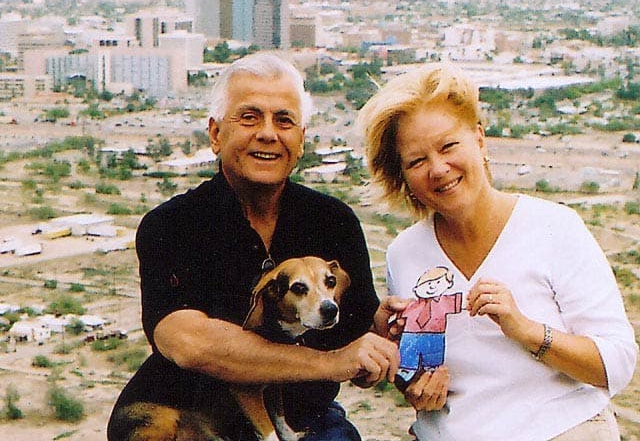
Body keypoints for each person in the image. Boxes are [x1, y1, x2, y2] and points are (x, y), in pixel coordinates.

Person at [107, 53, 399, 441]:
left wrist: (392, 333)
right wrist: (329, 363)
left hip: (303, 422)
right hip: (195, 426)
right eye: (249, 117)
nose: (267, 133)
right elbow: (189, 344)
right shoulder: (172, 225)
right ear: (215, 134)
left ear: (301, 140)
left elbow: (356, 343)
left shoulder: (334, 222)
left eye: (284, 120)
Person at [359, 63, 638, 440]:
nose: (438, 169)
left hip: (562, 430)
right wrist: (413, 385)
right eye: (417, 161)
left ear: (480, 139)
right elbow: (418, 378)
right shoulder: (404, 253)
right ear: (403, 176)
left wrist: (525, 331)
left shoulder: (555, 227)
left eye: (448, 146)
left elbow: (616, 365)